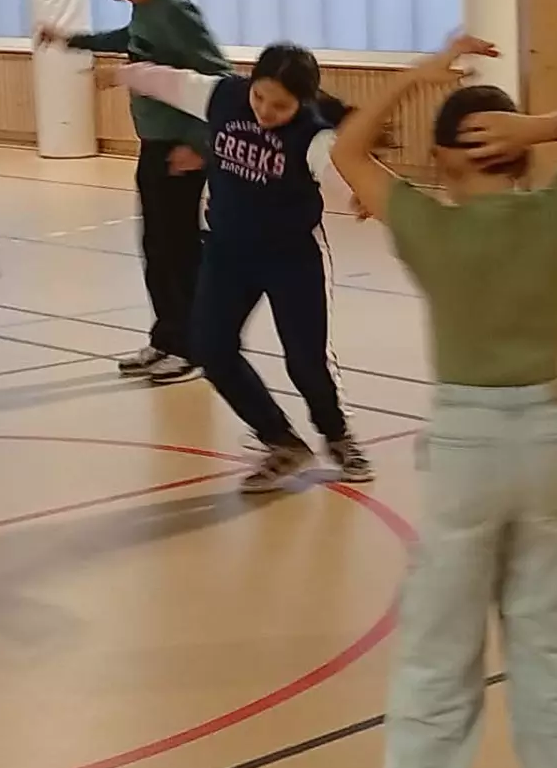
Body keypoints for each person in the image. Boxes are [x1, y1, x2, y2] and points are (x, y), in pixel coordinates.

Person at [330, 34, 557, 768]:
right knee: (544, 628)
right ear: (512, 149)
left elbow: (347, 149)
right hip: (544, 437)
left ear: (442, 158)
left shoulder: (426, 225)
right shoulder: (551, 215)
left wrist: (417, 77)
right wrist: (538, 127)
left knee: (440, 637)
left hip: (464, 446)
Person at [111, 45, 371, 492]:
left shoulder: (314, 136)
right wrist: (123, 74)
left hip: (291, 258)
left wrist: (365, 192)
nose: (266, 111)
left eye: (281, 106)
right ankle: (280, 441)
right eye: (260, 98)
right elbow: (168, 80)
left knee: (305, 363)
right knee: (212, 350)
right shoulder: (223, 97)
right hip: (227, 252)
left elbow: (347, 169)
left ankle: (337, 434)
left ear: (303, 102)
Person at [37, 0, 231, 384]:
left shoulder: (176, 12)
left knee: (179, 250)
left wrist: (199, 146)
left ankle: (193, 348)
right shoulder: (145, 10)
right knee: (157, 247)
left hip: (180, 150)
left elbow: (221, 79)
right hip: (155, 146)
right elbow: (129, 37)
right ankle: (167, 338)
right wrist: (73, 40)